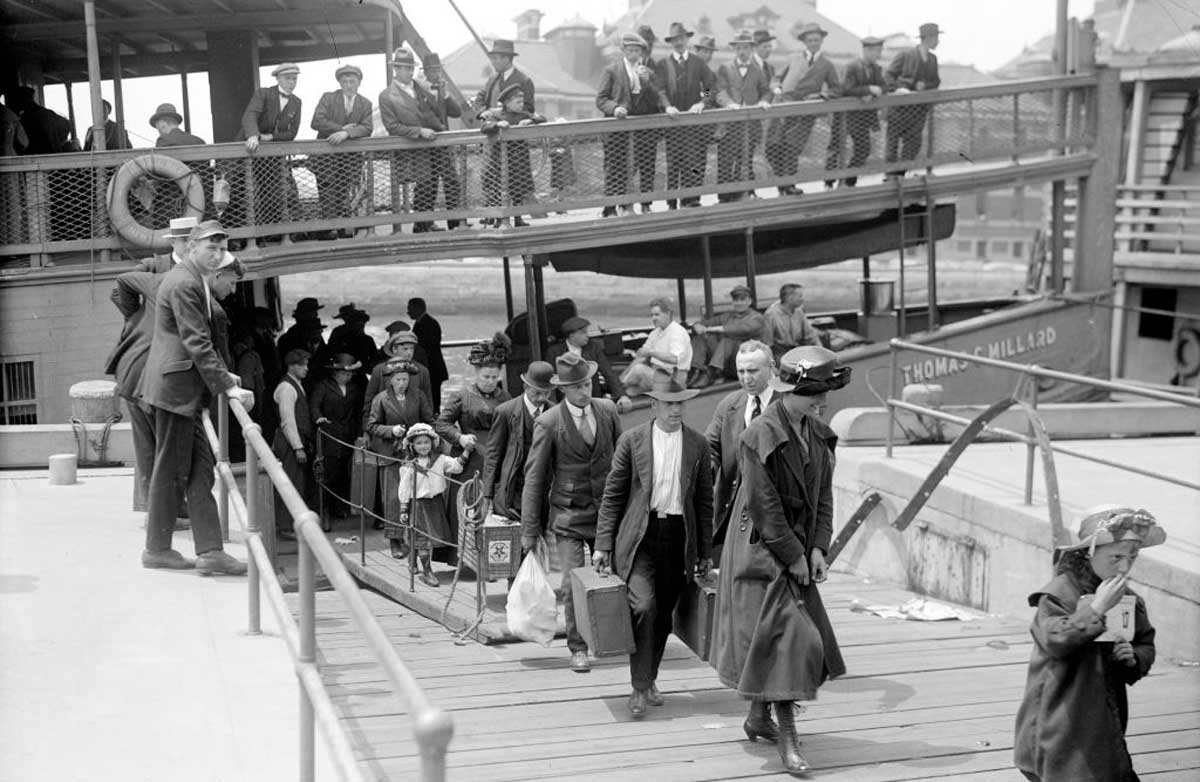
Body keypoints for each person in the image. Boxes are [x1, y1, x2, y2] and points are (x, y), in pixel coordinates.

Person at [711, 345, 851, 775]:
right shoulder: (759, 436)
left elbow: (823, 496)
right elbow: (764, 505)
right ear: (793, 391)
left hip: (797, 551)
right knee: (789, 642)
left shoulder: (819, 433)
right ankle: (788, 738)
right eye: (815, 392)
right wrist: (793, 557)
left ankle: (758, 717)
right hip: (759, 552)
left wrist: (818, 547)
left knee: (772, 642)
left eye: (824, 392)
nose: (822, 400)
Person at [1013, 506, 1164, 782]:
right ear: (1088, 553)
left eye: (1132, 557)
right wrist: (1097, 608)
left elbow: (1145, 643)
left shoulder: (1126, 598)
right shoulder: (1059, 594)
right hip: (1058, 724)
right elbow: (1054, 640)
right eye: (1115, 557)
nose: (1124, 567)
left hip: (1102, 725)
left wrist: (1133, 658)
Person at [134, 220, 251, 575]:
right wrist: (227, 386)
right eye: (210, 249)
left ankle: (210, 551)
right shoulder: (185, 282)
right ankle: (157, 549)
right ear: (191, 247)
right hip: (175, 391)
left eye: (221, 250)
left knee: (200, 469)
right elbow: (196, 341)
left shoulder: (191, 278)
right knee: (171, 471)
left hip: (183, 389)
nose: (216, 256)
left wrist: (220, 376)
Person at [594, 377, 713, 717]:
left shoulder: (698, 444)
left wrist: (705, 551)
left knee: (663, 614)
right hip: (640, 537)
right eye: (669, 403)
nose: (676, 409)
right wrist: (603, 545)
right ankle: (639, 685)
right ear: (654, 405)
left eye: (680, 403)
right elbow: (613, 495)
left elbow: (705, 501)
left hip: (679, 538)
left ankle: (648, 678)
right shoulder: (631, 441)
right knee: (643, 606)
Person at [521, 351, 623, 673]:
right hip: (567, 515)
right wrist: (528, 531)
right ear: (563, 389)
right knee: (570, 581)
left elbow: (623, 465)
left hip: (606, 513)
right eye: (577, 386)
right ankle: (578, 647)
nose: (584, 390)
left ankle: (610, 638)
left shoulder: (607, 411)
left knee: (612, 577)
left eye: (588, 383)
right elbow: (535, 479)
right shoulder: (548, 423)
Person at [434, 333, 512, 562]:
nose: (490, 381)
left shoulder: (505, 396)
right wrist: (459, 438)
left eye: (494, 377)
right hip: (470, 460)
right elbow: (441, 423)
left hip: (497, 458)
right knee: (468, 507)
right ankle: (464, 557)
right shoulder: (461, 396)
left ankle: (494, 559)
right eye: (486, 376)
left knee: (495, 509)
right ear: (476, 373)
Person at [379, 48, 465, 233]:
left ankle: (452, 223)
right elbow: (392, 126)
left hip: (436, 142)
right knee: (426, 184)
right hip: (414, 146)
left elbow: (447, 112)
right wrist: (419, 131)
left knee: (449, 181)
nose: (409, 72)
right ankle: (422, 224)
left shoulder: (421, 88)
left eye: (411, 68)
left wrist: (442, 95)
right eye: (405, 68)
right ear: (396, 69)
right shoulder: (387, 96)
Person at [704, 340, 776, 552]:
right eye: (741, 371)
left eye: (753, 371)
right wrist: (705, 470)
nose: (746, 378)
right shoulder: (729, 404)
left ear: (771, 367)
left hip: (772, 513)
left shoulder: (785, 406)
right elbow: (711, 446)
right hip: (732, 509)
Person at [765, 22, 842, 194]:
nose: (814, 43)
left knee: (792, 147)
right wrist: (776, 88)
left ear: (821, 41)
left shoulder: (826, 64)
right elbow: (776, 79)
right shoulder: (793, 58)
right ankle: (782, 184)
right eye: (810, 40)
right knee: (772, 146)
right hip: (783, 107)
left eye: (817, 40)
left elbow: (836, 88)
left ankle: (790, 185)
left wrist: (821, 96)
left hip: (805, 111)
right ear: (804, 42)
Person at [366, 361, 435, 553]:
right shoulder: (381, 399)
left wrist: (425, 435)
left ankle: (415, 538)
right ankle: (394, 539)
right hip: (391, 454)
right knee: (393, 497)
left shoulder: (418, 396)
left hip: (414, 454)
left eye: (405, 379)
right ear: (390, 380)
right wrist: (391, 430)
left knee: (416, 495)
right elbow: (371, 426)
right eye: (398, 379)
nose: (402, 383)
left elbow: (429, 420)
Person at [596, 32, 662, 217]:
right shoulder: (612, 70)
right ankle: (611, 208)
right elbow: (601, 99)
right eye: (630, 50)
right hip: (619, 128)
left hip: (644, 128)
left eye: (637, 51)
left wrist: (647, 83)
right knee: (616, 167)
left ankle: (646, 204)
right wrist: (615, 108)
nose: (634, 54)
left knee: (647, 166)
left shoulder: (649, 72)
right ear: (623, 51)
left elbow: (658, 100)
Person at [481, 360, 554, 520]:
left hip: (546, 492)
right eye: (536, 393)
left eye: (546, 393)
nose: (541, 398)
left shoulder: (555, 412)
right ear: (525, 387)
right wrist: (487, 495)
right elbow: (493, 454)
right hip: (514, 490)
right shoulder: (505, 412)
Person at [397, 423, 468, 586]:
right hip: (418, 505)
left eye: (426, 442)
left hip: (435, 504)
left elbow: (456, 467)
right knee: (421, 539)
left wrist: (467, 451)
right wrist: (403, 508)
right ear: (412, 445)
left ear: (433, 443)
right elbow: (404, 488)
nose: (423, 446)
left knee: (429, 537)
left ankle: (412, 560)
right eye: (419, 443)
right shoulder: (409, 465)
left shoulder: (440, 460)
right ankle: (427, 571)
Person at [656, 22, 716, 209]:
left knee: (694, 161)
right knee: (674, 162)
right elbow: (659, 90)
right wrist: (667, 106)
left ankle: (691, 200)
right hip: (673, 122)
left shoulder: (697, 62)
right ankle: (672, 202)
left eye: (681, 38)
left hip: (693, 123)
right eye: (675, 39)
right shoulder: (663, 64)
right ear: (671, 42)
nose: (679, 42)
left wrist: (702, 103)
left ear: (687, 39)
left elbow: (709, 87)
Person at [237, 63, 303, 231]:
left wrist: (271, 137)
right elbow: (250, 115)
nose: (291, 82)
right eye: (288, 79)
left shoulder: (296, 102)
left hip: (271, 156)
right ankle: (240, 234)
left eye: (294, 79)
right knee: (241, 190)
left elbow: (292, 133)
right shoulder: (263, 93)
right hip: (248, 150)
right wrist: (253, 135)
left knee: (272, 193)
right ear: (278, 79)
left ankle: (269, 232)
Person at [310, 64, 373, 237]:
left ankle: (343, 227)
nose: (349, 85)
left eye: (352, 81)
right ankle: (329, 229)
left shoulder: (365, 103)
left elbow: (367, 128)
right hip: (326, 156)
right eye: (345, 81)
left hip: (349, 158)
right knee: (327, 190)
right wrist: (340, 128)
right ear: (340, 83)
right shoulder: (329, 98)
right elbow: (316, 121)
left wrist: (346, 133)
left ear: (359, 83)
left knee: (343, 190)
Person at [715, 30, 772, 202]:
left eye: (746, 48)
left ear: (751, 49)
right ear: (734, 49)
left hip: (750, 124)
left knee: (745, 160)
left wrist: (763, 101)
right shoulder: (725, 68)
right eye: (739, 48)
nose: (742, 51)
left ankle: (745, 194)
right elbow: (718, 91)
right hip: (730, 124)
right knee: (725, 161)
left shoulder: (757, 70)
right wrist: (729, 104)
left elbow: (766, 91)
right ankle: (724, 198)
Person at [480, 84, 546, 227]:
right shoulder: (495, 114)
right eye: (517, 102)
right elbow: (484, 127)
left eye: (522, 102)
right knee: (500, 190)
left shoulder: (524, 115)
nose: (521, 105)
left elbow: (543, 118)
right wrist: (497, 125)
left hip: (519, 161)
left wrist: (531, 120)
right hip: (501, 161)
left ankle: (518, 218)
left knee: (518, 190)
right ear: (507, 103)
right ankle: (500, 219)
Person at [310, 353, 365, 521]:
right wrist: (318, 417)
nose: (347, 376)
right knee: (328, 473)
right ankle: (324, 511)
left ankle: (340, 507)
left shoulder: (354, 389)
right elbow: (314, 405)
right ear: (335, 373)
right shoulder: (323, 386)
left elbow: (358, 412)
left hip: (347, 435)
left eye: (349, 374)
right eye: (343, 373)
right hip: (329, 435)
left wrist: (360, 434)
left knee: (344, 473)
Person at [886, 23, 942, 177]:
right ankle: (890, 176)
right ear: (929, 38)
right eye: (936, 37)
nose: (938, 41)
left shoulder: (933, 59)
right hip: (899, 109)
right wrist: (898, 89)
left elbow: (936, 82)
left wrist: (924, 86)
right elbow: (889, 75)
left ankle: (898, 174)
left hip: (918, 111)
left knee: (913, 145)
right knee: (892, 143)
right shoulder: (906, 55)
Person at [545, 316, 632, 411]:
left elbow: (608, 372)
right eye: (583, 333)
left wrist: (621, 395)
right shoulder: (554, 352)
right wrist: (553, 405)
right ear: (571, 335)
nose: (587, 335)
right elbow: (551, 381)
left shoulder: (594, 347)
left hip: (592, 399)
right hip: (566, 402)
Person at [689, 284, 767, 387]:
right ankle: (695, 370)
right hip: (726, 364)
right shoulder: (727, 316)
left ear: (750, 301)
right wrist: (698, 326)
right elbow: (705, 322)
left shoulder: (757, 318)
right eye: (736, 300)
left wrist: (713, 329)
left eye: (742, 299)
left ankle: (712, 372)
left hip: (747, 365)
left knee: (729, 339)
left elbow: (739, 330)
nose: (739, 303)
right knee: (701, 336)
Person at [272, 348, 314, 541]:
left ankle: (290, 523)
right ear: (292, 366)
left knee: (296, 482)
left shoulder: (295, 384)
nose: (306, 368)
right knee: (290, 482)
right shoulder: (287, 388)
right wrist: (298, 447)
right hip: (289, 443)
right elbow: (288, 421)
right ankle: (286, 526)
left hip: (296, 441)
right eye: (302, 365)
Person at [839, 37, 888, 187]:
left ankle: (848, 181)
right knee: (853, 148)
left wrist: (872, 92)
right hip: (850, 117)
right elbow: (846, 89)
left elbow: (884, 87)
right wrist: (867, 90)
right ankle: (845, 182)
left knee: (863, 149)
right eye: (876, 51)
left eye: (879, 51)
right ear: (866, 51)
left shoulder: (876, 69)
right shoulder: (852, 67)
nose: (878, 55)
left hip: (866, 117)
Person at [620, 296, 693, 394]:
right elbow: (640, 357)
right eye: (652, 315)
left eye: (657, 315)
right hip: (657, 375)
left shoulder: (677, 332)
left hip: (674, 381)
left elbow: (674, 358)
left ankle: (615, 389)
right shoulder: (655, 333)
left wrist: (651, 352)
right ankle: (617, 389)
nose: (653, 318)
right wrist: (622, 376)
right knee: (630, 391)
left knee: (639, 370)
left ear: (668, 313)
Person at [364, 330, 434, 414]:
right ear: (394, 349)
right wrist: (369, 425)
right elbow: (369, 401)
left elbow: (428, 402)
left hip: (415, 423)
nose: (409, 352)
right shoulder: (379, 370)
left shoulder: (422, 371)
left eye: (411, 348)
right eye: (405, 349)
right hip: (386, 423)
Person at [474, 39, 536, 118]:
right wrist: (482, 112)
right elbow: (480, 97)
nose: (493, 62)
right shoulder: (492, 79)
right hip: (490, 128)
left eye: (495, 58)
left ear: (506, 59)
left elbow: (528, 110)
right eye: (492, 59)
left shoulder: (524, 81)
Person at [762, 284, 821, 361]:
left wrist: (821, 351)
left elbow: (810, 335)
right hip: (780, 354)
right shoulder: (771, 314)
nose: (803, 299)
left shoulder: (799, 311)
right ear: (789, 298)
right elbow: (767, 343)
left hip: (798, 350)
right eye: (800, 296)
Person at [408, 297, 448, 410]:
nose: (408, 312)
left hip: (432, 369)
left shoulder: (429, 323)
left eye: (410, 308)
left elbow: (428, 347)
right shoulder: (424, 322)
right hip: (430, 369)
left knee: (433, 402)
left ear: (418, 308)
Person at [326, 303, 378, 374]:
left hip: (355, 373)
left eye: (362, 324)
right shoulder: (339, 333)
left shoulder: (368, 340)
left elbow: (374, 360)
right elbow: (330, 351)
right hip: (343, 371)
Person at [276, 297, 325, 370]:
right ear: (304, 315)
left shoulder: (290, 335)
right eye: (313, 312)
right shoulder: (290, 337)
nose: (316, 314)